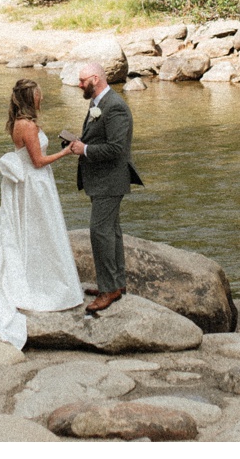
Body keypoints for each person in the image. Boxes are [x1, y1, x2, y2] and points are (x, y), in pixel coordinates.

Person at [0, 78, 84, 348]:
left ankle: (35, 277)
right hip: (34, 186)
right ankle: (40, 286)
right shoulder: (28, 125)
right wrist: (67, 152)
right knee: (39, 233)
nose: (41, 97)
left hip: (31, 185)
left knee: (29, 234)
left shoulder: (18, 123)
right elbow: (37, 161)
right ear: (29, 98)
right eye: (38, 94)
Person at [66, 60, 143, 314]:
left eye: (82, 80)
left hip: (111, 180)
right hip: (100, 178)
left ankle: (108, 290)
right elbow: (98, 137)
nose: (79, 84)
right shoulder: (96, 103)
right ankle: (116, 284)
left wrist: (84, 149)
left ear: (95, 80)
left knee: (100, 232)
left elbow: (117, 148)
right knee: (112, 231)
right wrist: (80, 142)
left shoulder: (116, 107)